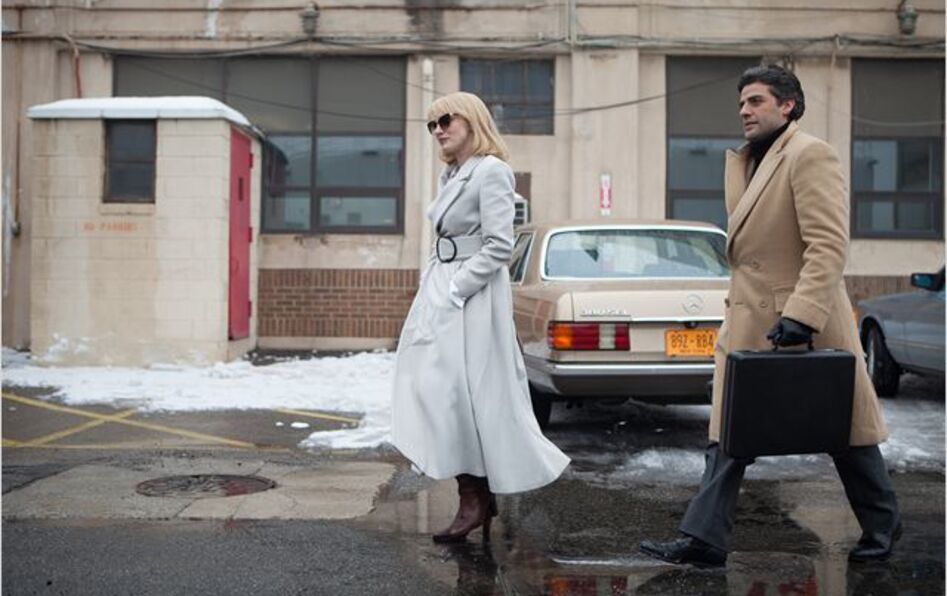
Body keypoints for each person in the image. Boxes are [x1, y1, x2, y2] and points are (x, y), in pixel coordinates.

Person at [639, 65, 900, 568]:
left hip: (799, 322)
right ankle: (704, 539)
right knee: (728, 435)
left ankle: (883, 525)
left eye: (756, 101)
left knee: (845, 433)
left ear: (788, 105)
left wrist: (802, 314)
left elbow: (828, 245)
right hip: (749, 319)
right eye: (741, 102)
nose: (744, 110)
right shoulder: (748, 161)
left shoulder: (809, 154)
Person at [391, 91, 570, 543]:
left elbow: (499, 245)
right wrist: (437, 285)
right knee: (439, 390)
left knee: (467, 394)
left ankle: (475, 497)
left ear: (472, 121)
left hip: (471, 295)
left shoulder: (491, 171)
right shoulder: (452, 174)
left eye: (446, 120)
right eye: (432, 124)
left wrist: (457, 288)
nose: (438, 130)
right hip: (443, 286)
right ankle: (475, 494)